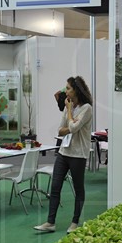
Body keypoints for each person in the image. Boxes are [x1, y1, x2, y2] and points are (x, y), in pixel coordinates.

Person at [35, 76, 93, 234]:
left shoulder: (86, 108)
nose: (65, 91)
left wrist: (69, 115)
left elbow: (73, 128)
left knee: (78, 189)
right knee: (55, 187)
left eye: (68, 88)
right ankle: (50, 222)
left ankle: (75, 222)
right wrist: (71, 120)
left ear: (76, 90)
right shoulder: (70, 107)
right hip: (64, 152)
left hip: (78, 154)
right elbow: (61, 130)